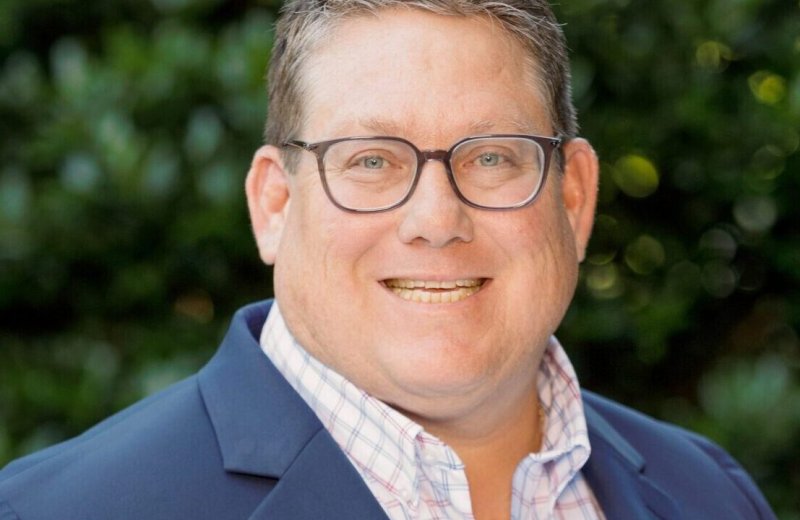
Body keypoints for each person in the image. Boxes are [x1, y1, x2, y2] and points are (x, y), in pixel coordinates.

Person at [0, 0, 776, 518]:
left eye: (492, 158)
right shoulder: (55, 512)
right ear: (275, 204)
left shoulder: (712, 495)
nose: (435, 221)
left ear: (572, 199)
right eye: (371, 160)